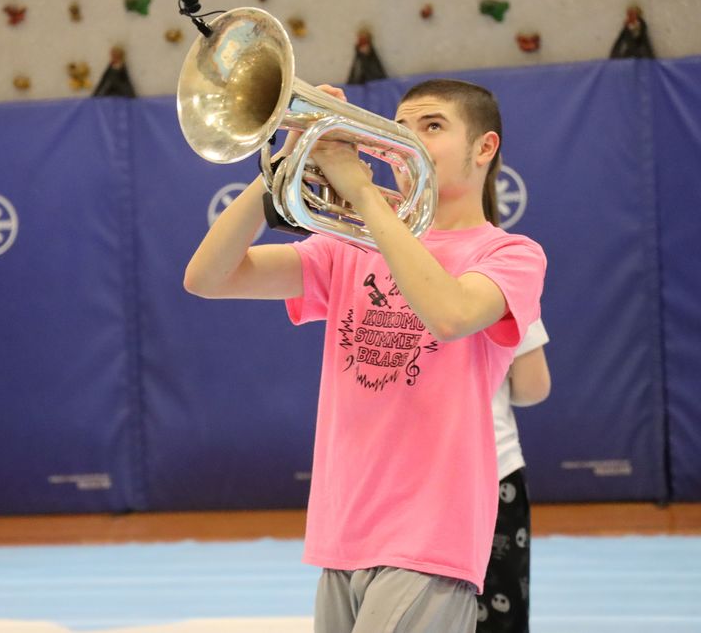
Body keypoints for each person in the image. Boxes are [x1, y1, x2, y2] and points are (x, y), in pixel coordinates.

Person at [183, 78, 546, 632]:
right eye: (399, 128)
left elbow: (449, 315)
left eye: (432, 126)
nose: (407, 141)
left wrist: (365, 194)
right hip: (342, 530)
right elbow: (207, 278)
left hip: (430, 537)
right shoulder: (349, 245)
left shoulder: (510, 254)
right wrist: (285, 161)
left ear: (484, 148)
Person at [477, 318, 551, 633]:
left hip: (400, 478)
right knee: (500, 619)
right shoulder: (506, 274)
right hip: (491, 469)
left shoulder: (381, 279)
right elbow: (533, 386)